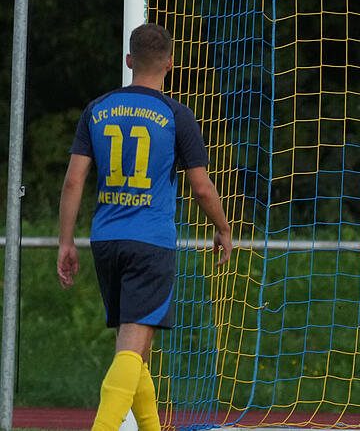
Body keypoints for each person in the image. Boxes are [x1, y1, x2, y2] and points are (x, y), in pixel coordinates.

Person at [56, 23, 234, 431]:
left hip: (105, 239)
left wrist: (66, 242)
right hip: (150, 243)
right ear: (170, 63)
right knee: (132, 353)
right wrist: (223, 227)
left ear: (129, 60)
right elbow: (202, 187)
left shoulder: (97, 108)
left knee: (134, 347)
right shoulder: (176, 114)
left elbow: (73, 180)